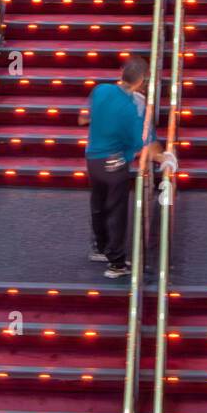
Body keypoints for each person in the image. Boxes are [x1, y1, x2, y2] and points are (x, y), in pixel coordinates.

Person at [78, 56, 161, 279]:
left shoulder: (100, 90)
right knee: (116, 211)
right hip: (114, 163)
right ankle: (116, 264)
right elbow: (146, 141)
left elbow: (82, 119)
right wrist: (164, 157)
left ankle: (100, 248)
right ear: (142, 80)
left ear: (121, 73)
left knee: (98, 204)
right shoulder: (135, 104)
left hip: (93, 158)